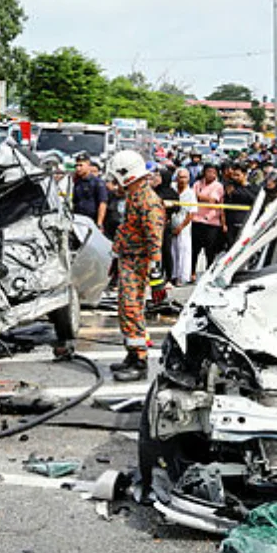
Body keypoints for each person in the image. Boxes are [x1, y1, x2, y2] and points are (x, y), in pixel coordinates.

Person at [105, 150, 164, 383]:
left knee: (131, 307)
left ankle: (140, 360)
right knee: (125, 308)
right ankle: (131, 353)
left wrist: (156, 273)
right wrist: (116, 258)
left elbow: (154, 238)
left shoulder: (148, 200)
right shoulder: (133, 196)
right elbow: (126, 229)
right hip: (128, 258)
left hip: (139, 261)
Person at [190, 165, 223, 280]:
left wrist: (198, 196)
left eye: (213, 172)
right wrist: (202, 197)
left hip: (211, 222)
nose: (210, 174)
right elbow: (192, 197)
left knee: (210, 251)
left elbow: (212, 201)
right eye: (208, 171)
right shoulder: (197, 184)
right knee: (195, 250)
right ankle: (192, 273)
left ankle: (209, 274)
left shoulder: (218, 186)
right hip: (196, 220)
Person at [170, 167, 196, 285]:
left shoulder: (190, 193)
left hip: (184, 226)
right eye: (180, 177)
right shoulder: (172, 189)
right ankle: (173, 275)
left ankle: (182, 277)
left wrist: (181, 226)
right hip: (172, 224)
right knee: (172, 250)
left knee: (183, 250)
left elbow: (191, 213)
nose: (182, 180)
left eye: (185, 177)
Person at [71, 151, 109, 232]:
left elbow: (102, 203)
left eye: (81, 165)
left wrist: (99, 223)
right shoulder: (77, 182)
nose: (78, 168)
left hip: (92, 221)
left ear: (88, 165)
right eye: (76, 165)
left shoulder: (97, 182)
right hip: (78, 220)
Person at [221, 162, 256, 249]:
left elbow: (252, 198)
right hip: (231, 224)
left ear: (244, 174)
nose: (234, 177)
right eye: (233, 175)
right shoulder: (229, 187)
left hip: (246, 223)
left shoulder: (254, 188)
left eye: (237, 175)